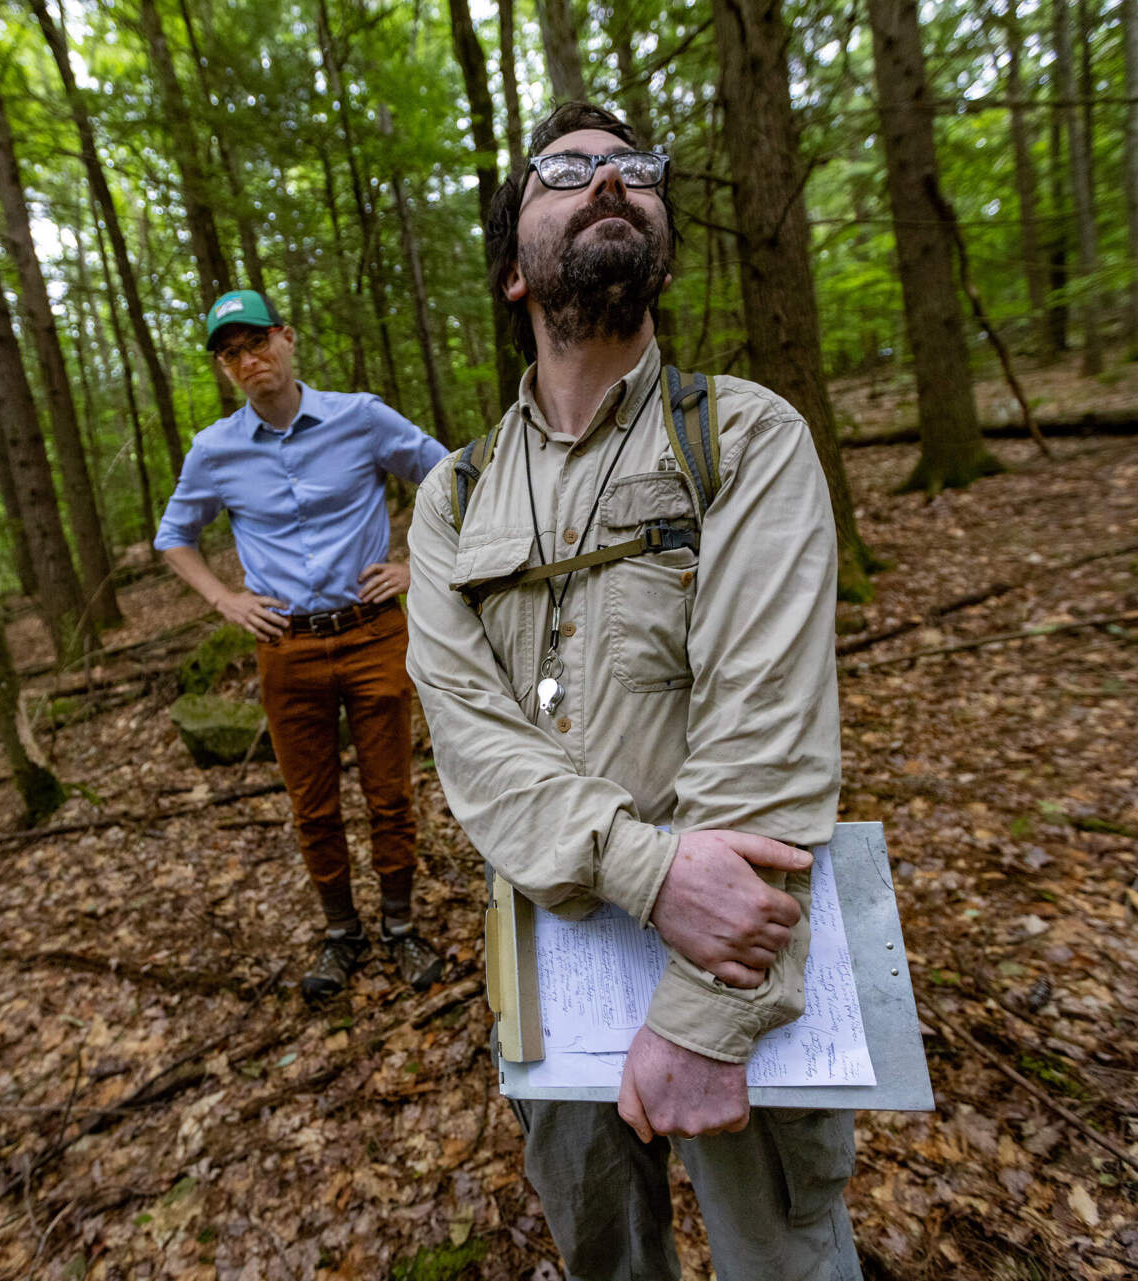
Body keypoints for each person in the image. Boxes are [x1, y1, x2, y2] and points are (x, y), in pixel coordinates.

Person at [404, 105, 859, 1279]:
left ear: (661, 241)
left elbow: (768, 730)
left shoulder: (745, 436)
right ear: (515, 267)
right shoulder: (451, 503)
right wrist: (648, 871)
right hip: (553, 970)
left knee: (785, 1262)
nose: (611, 181)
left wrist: (709, 1012)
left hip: (739, 967)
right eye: (568, 171)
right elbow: (473, 742)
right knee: (606, 1258)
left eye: (635, 171)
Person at [155, 289, 450, 1000]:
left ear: (287, 339)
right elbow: (174, 537)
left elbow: (451, 477)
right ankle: (342, 932)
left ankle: (402, 927)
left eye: (257, 342)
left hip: (373, 631)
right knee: (311, 804)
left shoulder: (360, 417)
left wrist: (418, 563)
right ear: (225, 368)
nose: (248, 359)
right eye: (231, 353)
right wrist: (224, 599)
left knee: (389, 795)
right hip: (285, 645)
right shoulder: (215, 450)